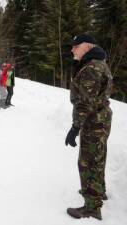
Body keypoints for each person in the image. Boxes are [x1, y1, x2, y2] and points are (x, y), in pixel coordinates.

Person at [65, 34, 113, 221]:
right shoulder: (99, 63)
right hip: (100, 117)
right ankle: (99, 191)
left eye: (75, 46)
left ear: (86, 46)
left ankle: (92, 207)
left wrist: (75, 128)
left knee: (87, 161)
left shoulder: (91, 67)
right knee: (98, 156)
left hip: (93, 120)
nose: (72, 50)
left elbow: (85, 103)